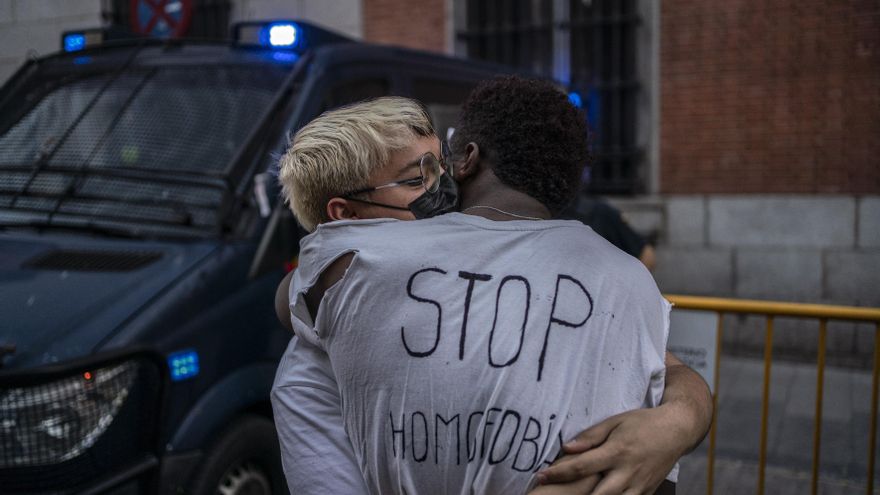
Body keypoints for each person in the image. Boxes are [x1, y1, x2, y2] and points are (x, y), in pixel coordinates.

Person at [272, 80, 711, 494]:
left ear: (465, 159)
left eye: (438, 165)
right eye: (416, 178)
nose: (438, 185)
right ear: (343, 219)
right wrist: (680, 421)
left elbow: (667, 371)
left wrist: (678, 419)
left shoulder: (343, 277)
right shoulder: (342, 290)